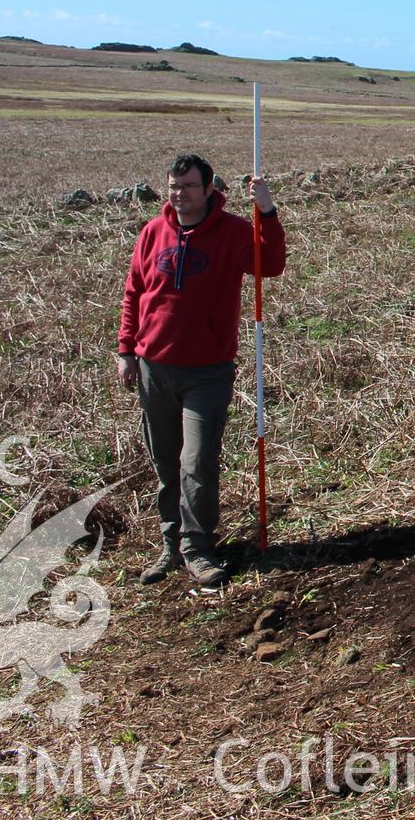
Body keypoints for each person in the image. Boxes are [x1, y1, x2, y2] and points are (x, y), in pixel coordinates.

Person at [116, 153, 286, 587]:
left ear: (210, 189)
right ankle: (171, 545)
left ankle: (198, 547)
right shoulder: (153, 232)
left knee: (197, 460)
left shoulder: (232, 232)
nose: (179, 195)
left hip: (207, 370)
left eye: (188, 187)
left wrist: (266, 210)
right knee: (166, 461)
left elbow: (272, 265)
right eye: (173, 187)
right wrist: (126, 350)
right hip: (154, 367)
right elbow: (134, 291)